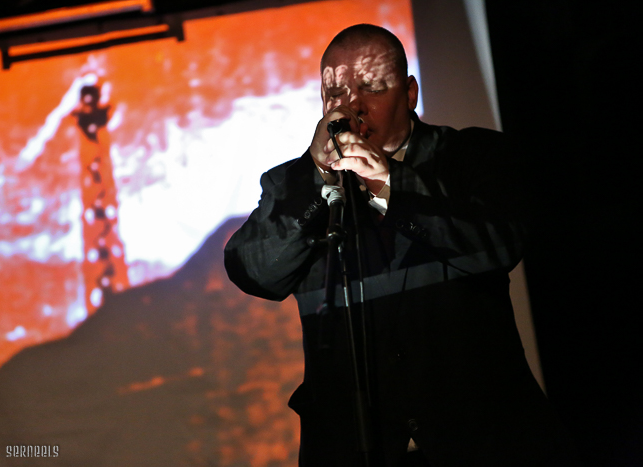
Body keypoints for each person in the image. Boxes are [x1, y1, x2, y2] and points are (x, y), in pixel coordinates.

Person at [224, 24, 575, 467]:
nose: (351, 107)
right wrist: (316, 178)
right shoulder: (292, 184)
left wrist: (390, 185)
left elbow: (498, 244)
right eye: (335, 94)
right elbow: (255, 272)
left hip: (485, 439)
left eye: (370, 88)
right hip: (356, 448)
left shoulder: (470, 157)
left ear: (409, 93)